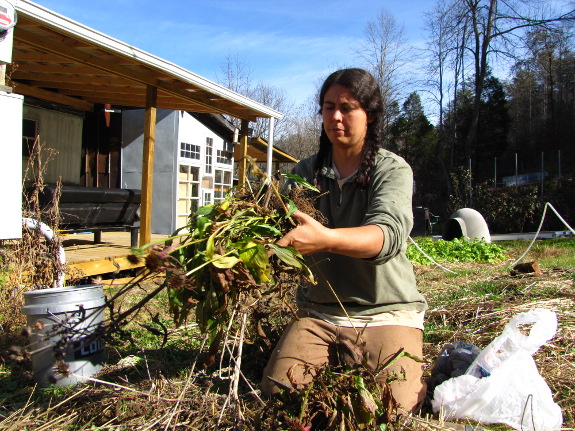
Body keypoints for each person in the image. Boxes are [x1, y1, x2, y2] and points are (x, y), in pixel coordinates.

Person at [260, 68, 428, 413]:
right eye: (327, 106)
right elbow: (265, 222)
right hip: (319, 312)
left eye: (348, 107)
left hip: (384, 311)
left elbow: (387, 235)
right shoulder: (306, 174)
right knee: (281, 398)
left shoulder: (391, 170)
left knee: (392, 409)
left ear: (370, 115)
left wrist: (325, 239)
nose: (335, 116)